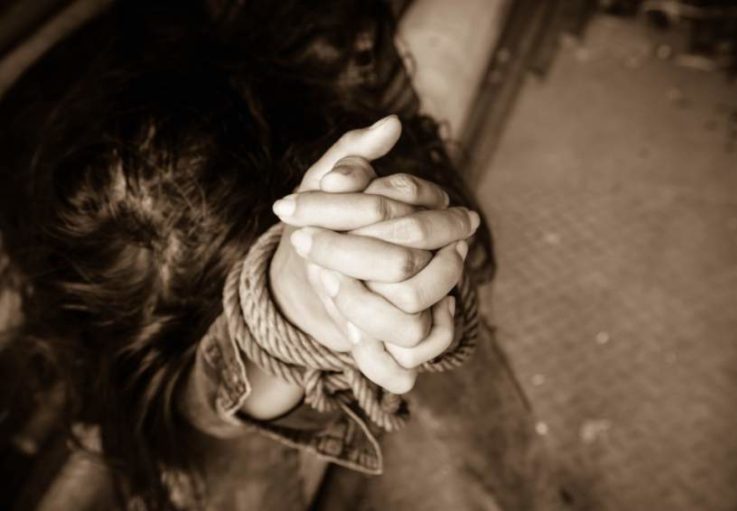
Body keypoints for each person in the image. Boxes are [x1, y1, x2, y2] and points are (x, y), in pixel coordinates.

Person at [0, 1, 551, 509]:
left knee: (446, 341)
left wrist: (383, 238)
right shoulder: (59, 218)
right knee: (229, 467)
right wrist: (282, 317)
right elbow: (162, 401)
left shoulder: (333, 40)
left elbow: (408, 168)